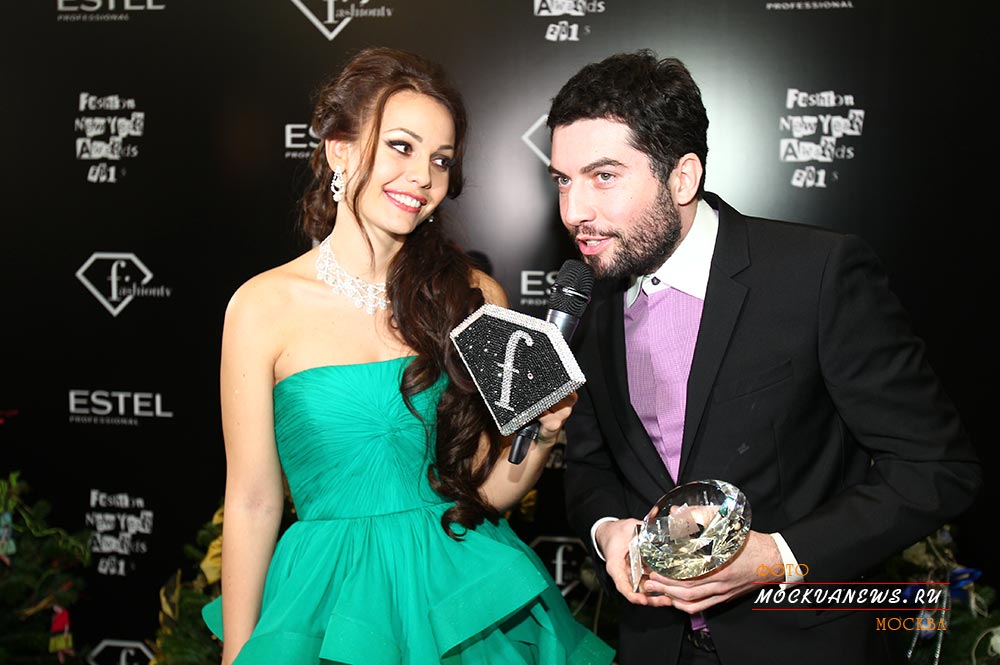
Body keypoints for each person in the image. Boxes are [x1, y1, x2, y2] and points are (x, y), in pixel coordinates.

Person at [546, 50, 981, 665]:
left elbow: (936, 468)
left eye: (604, 177)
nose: (574, 212)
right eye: (563, 180)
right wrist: (608, 531)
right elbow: (590, 466)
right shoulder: (590, 303)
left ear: (682, 177)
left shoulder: (816, 275)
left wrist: (777, 556)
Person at [201, 47, 614, 665]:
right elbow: (253, 501)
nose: (422, 176)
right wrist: (238, 653)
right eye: (401, 147)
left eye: (440, 160)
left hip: (461, 609)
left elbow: (488, 495)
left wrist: (544, 434)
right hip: (327, 605)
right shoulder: (260, 307)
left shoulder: (475, 297)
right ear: (339, 150)